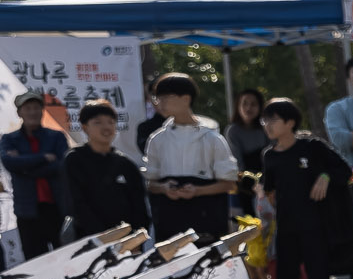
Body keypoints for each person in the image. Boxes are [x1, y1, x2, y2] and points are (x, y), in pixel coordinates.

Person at [254, 97, 353, 279]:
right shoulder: (269, 156)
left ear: (290, 122)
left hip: (316, 227)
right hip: (286, 229)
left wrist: (324, 176)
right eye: (265, 120)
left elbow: (345, 170)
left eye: (273, 119)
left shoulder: (312, 147)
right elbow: (270, 189)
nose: (268, 125)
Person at [142, 74, 237, 243]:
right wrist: (164, 188)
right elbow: (150, 183)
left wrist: (198, 190)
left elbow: (228, 183)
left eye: (165, 97)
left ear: (186, 98)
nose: (159, 103)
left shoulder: (212, 138)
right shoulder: (157, 139)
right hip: (169, 222)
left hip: (207, 218)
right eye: (157, 98)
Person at [62, 102, 147, 237]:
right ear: (85, 127)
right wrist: (102, 236)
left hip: (127, 242)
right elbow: (76, 202)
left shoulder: (125, 163)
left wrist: (135, 235)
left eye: (111, 122)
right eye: (98, 122)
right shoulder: (74, 159)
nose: (106, 127)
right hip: (89, 240)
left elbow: (139, 206)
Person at [3, 91, 68, 256]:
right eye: (28, 108)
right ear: (19, 112)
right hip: (27, 209)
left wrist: (25, 166)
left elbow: (61, 166)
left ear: (42, 110)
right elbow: (10, 163)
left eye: (36, 107)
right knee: (34, 259)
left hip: (56, 207)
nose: (33, 112)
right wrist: (44, 157)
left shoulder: (56, 137)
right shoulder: (10, 139)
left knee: (65, 255)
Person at [226, 87, 271, 174]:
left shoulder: (266, 127)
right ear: (238, 106)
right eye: (244, 104)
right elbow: (237, 163)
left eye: (253, 104)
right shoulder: (232, 131)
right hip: (245, 179)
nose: (248, 108)